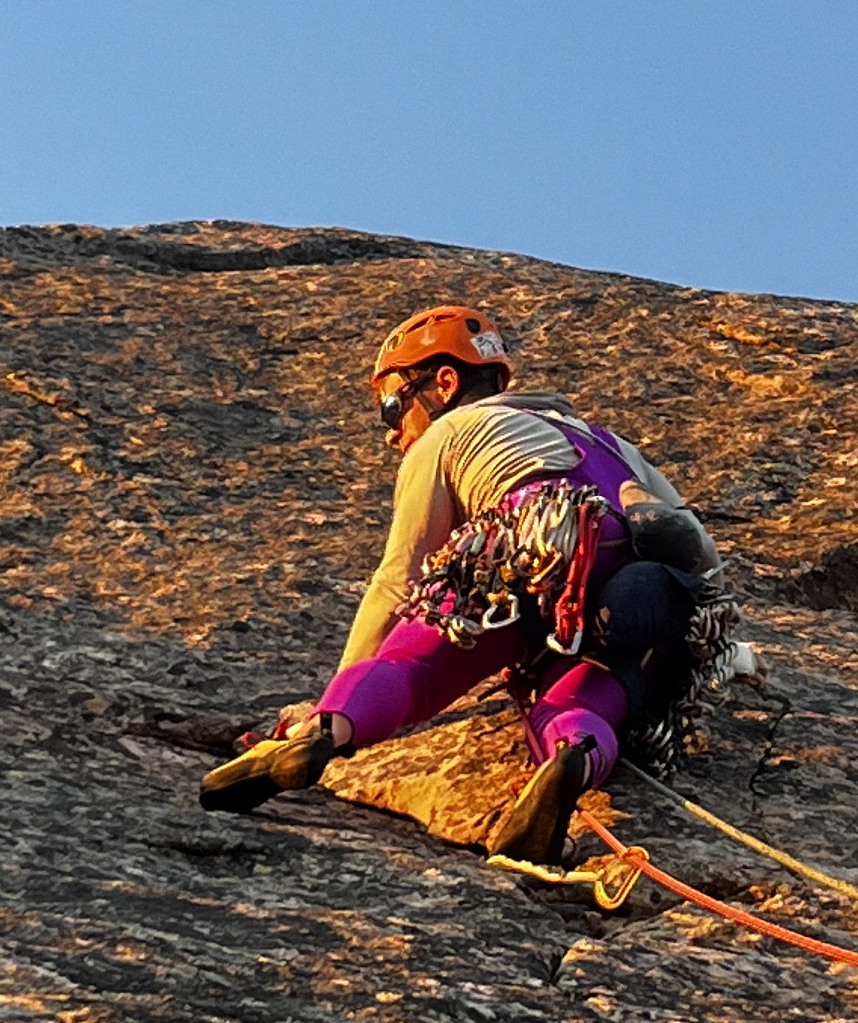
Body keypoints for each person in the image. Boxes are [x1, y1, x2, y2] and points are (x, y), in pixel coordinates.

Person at [198, 304, 722, 867]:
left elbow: (399, 578)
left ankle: (323, 733)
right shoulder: (611, 444)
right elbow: (701, 555)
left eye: (393, 405)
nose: (392, 429)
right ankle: (573, 753)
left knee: (416, 663)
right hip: (628, 574)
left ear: (444, 382)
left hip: (525, 536)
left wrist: (332, 692)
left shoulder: (448, 433)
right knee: (589, 676)